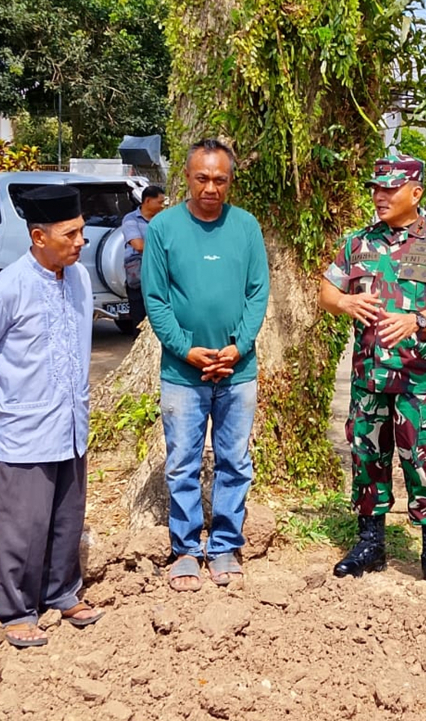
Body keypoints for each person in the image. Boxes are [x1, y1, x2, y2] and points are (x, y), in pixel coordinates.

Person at [0, 185, 104, 648]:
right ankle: (17, 608)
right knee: (21, 522)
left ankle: (62, 591)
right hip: (26, 426)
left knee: (66, 516)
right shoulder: (6, 289)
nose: (81, 242)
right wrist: (5, 396)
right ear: (38, 237)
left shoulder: (79, 279)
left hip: (72, 422)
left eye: (82, 231)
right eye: (71, 234)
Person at [320, 153, 426, 585]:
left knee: (423, 461)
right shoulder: (358, 243)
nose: (380, 196)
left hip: (417, 380)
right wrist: (345, 302)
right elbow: (326, 292)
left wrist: (417, 320)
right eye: (376, 188)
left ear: (416, 193)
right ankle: (370, 543)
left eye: (390, 189)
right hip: (369, 379)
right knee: (368, 458)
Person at [142, 138, 269, 592]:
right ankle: (185, 551)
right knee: (182, 464)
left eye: (220, 179)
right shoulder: (164, 229)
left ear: (230, 181)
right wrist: (184, 348)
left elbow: (257, 293)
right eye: (202, 178)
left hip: (238, 370)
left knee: (235, 461)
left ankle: (224, 547)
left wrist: (239, 346)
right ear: (188, 178)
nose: (210, 187)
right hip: (183, 372)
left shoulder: (247, 227)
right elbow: (155, 299)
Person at [119, 184, 167, 334]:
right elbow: (138, 245)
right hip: (138, 277)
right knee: (139, 320)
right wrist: (162, 248)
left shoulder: (163, 220)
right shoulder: (130, 219)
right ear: (147, 201)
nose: (162, 206)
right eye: (159, 202)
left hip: (159, 275)